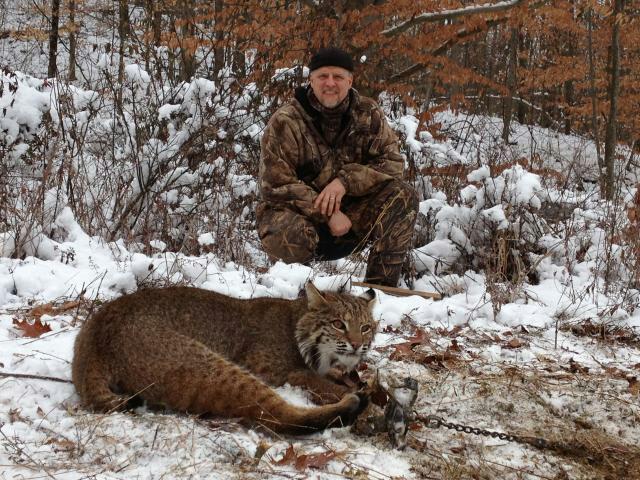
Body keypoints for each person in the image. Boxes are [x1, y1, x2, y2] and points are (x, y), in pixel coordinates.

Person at [256, 47, 418, 287]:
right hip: (302, 219)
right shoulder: (286, 121)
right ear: (311, 80)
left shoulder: (368, 114)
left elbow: (392, 164)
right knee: (286, 234)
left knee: (403, 196)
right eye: (322, 76)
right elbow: (275, 184)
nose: (330, 83)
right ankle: (292, 288)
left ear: (350, 81)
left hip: (352, 218)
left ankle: (379, 291)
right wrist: (328, 211)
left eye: (338, 77)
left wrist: (345, 181)